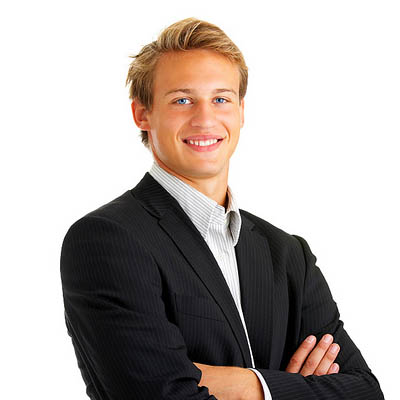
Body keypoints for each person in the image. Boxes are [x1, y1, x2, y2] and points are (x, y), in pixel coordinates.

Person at [60, 18, 384, 399]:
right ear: (142, 114)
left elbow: (365, 391)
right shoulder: (106, 241)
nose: (205, 119)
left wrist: (249, 385)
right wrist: (298, 389)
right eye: (182, 100)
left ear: (241, 111)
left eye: (221, 99)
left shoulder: (287, 255)